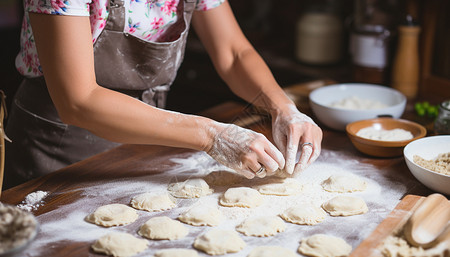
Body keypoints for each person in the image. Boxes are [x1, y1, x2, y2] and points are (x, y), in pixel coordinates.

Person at [4, 0, 322, 189]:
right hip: (60, 151)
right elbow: (78, 100)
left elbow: (233, 52)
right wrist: (213, 135)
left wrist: (283, 108)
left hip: (149, 139)